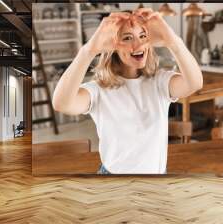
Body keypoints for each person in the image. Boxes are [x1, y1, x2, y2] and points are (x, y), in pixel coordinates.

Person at [52, 8, 203, 174]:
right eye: (127, 38)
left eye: (143, 36)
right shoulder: (98, 90)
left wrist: (172, 41)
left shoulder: (160, 82)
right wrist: (89, 51)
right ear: (112, 47)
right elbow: (61, 103)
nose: (138, 45)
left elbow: (194, 83)